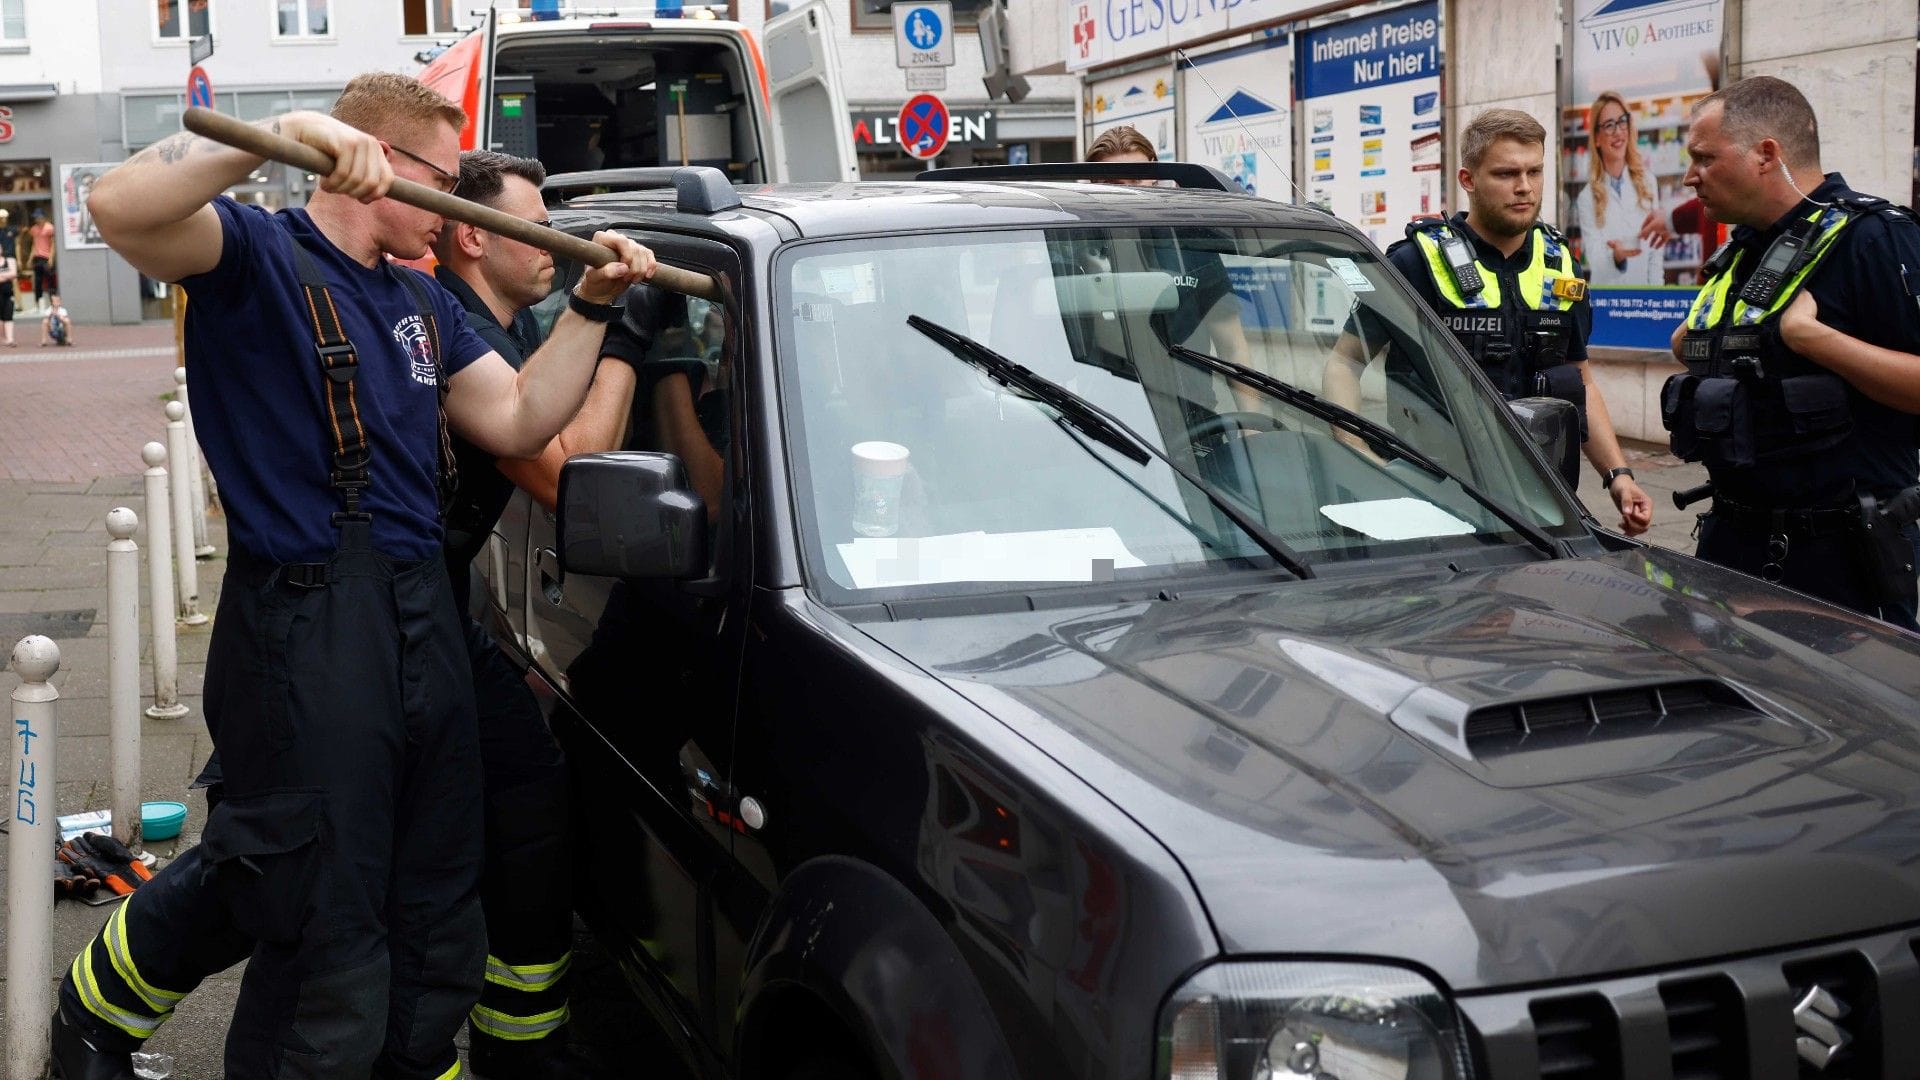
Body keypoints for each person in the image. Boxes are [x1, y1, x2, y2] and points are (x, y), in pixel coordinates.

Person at [50, 72, 655, 1080]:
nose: (459, 210)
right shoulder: (255, 258)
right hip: (303, 629)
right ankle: (109, 1021)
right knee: (318, 902)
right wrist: (280, 137)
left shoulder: (423, 299)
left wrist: (593, 310)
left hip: (421, 617)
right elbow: (116, 206)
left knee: (430, 888)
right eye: (447, 183)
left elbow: (515, 419)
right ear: (381, 165)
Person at [1662, 75, 1920, 628]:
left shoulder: (1875, 239)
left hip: (1842, 563)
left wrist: (1814, 339)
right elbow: (1721, 353)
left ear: (1766, 154)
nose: (1690, 177)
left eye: (1704, 158)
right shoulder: (1745, 250)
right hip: (1734, 544)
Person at [1322, 109, 1654, 535]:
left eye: (1535, 171)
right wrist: (1356, 455)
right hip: (1435, 496)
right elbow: (1344, 363)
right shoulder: (1416, 262)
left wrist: (1619, 477)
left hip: (1541, 498)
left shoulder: (1559, 263)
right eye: (1506, 173)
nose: (1525, 187)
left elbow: (1580, 381)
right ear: (1468, 180)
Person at [1085, 125, 1264, 413]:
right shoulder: (1075, 248)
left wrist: (1254, 428)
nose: (1131, 194)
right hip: (1102, 419)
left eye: (1139, 179)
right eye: (1116, 184)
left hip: (1193, 419)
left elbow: (1233, 348)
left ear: (1156, 175)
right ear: (1094, 185)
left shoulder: (1187, 245)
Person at [1571, 91, 1666, 286]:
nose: (1618, 131)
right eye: (1609, 125)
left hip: (1645, 298)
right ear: (1596, 138)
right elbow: (1595, 260)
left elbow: (1655, 255)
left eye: (1622, 122)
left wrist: (1657, 296)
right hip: (1609, 300)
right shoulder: (1587, 197)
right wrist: (1616, 257)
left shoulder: (1647, 182)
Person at [28, 208, 54, 308]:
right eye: (36, 218)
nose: (37, 219)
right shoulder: (33, 229)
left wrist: (51, 258)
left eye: (39, 217)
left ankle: (53, 304)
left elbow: (53, 244)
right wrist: (30, 259)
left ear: (43, 217)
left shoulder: (49, 228)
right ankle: (38, 304)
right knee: (37, 283)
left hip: (46, 257)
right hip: (37, 257)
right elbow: (34, 245)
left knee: (50, 281)